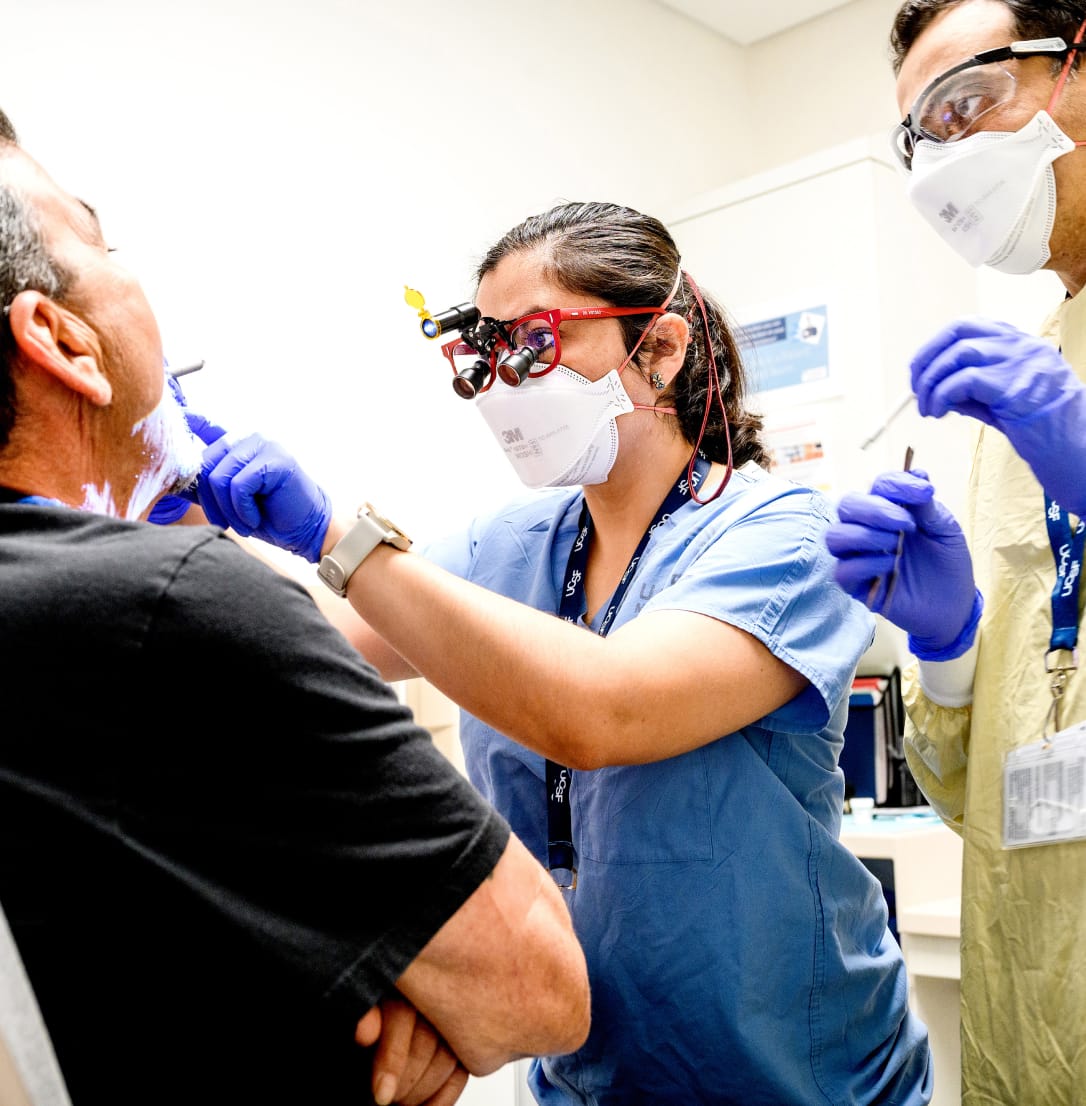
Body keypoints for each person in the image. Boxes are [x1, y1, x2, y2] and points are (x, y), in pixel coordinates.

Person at [171, 200, 934, 1105]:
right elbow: (316, 649)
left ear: (660, 348)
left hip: (798, 1073)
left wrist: (337, 531)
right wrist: (192, 515)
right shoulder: (509, 543)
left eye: (534, 345)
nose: (504, 383)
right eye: (485, 354)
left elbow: (603, 710)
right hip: (590, 1076)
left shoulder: (784, 530)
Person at [0, 130, 591, 1105]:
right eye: (103, 247)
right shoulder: (168, 603)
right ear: (63, 340)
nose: (506, 379)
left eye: (532, 343)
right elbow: (542, 987)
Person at [824, 2, 1086, 1102]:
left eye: (966, 105)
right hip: (1035, 987)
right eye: (920, 138)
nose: (942, 165)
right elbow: (986, 788)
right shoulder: (1016, 388)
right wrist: (946, 644)